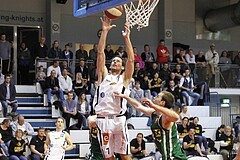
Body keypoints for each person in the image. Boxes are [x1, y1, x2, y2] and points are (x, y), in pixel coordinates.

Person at [92, 15, 135, 160]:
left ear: (122, 67)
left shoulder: (124, 78)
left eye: (118, 61)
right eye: (114, 60)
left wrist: (127, 38)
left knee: (124, 155)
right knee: (108, 156)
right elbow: (100, 53)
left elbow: (131, 59)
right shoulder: (103, 75)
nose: (115, 62)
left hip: (119, 120)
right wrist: (104, 31)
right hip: (103, 120)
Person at [114, 91, 187, 160]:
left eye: (158, 96)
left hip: (175, 157)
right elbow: (138, 106)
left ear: (162, 102)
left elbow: (176, 117)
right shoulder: (155, 114)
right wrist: (125, 97)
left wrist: (153, 106)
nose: (154, 97)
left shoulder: (165, 118)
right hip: (166, 156)